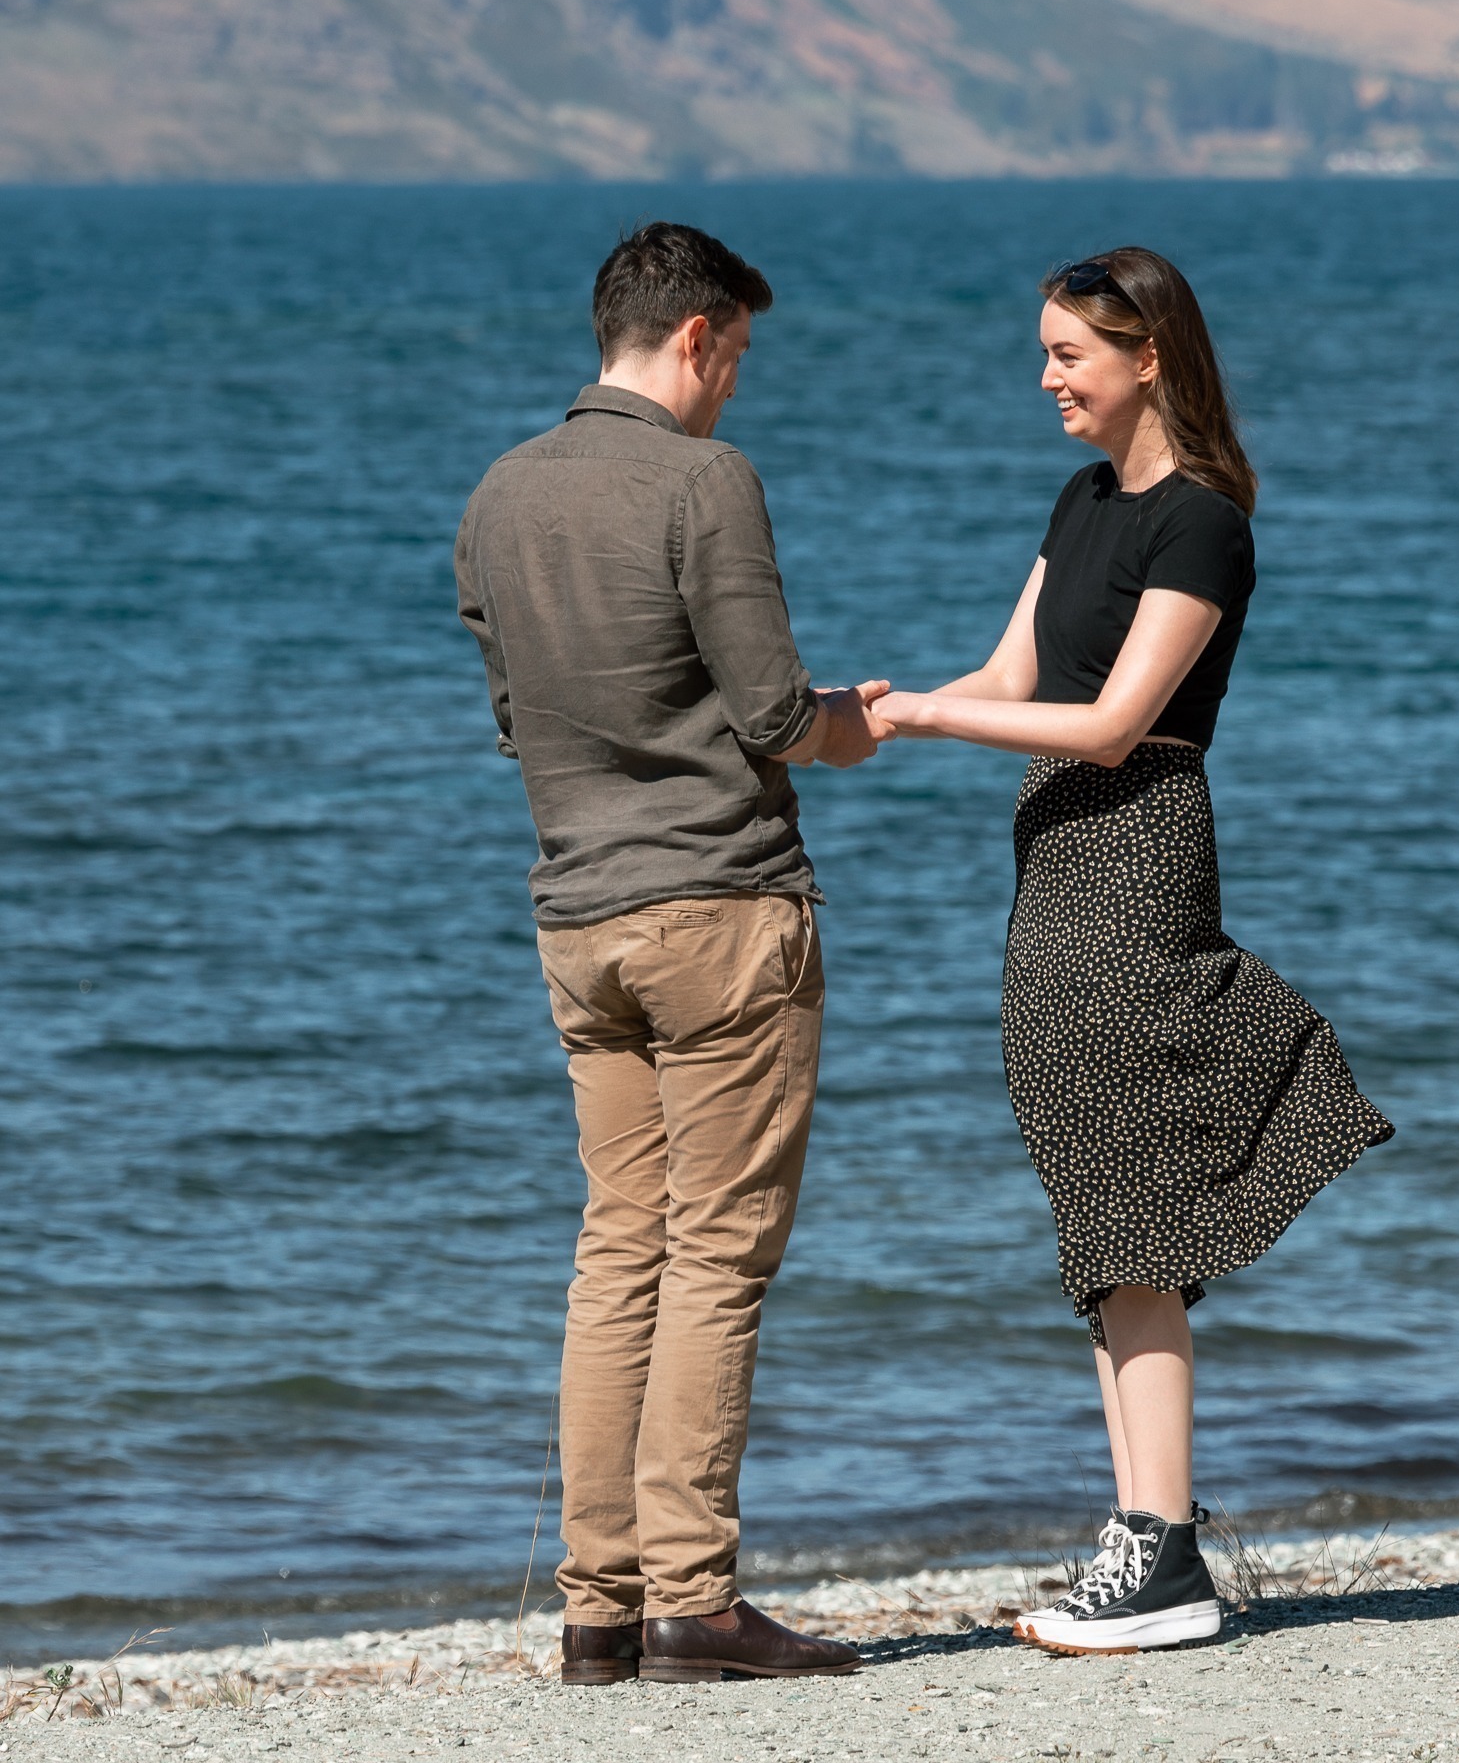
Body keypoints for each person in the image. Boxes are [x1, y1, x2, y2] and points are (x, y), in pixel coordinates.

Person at [874, 247, 1393, 1656]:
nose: (1046, 378)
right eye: (1045, 353)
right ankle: (1140, 1533)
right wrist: (854, 719)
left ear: (1146, 355)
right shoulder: (1082, 501)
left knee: (1132, 1206)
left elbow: (1113, 725)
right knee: (1093, 1196)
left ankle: (1163, 1551)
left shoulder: (1202, 522)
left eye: (1068, 354)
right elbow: (1008, 681)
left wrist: (924, 718)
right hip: (1052, 861)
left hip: (1137, 845)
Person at [454, 222, 892, 1686]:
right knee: (715, 1254)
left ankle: (600, 1608)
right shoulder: (707, 481)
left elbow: (516, 721)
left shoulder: (498, 494)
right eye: (739, 355)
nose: (737, 386)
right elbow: (773, 715)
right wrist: (860, 725)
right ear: (694, 335)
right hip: (721, 911)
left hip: (578, 920)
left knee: (616, 1251)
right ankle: (695, 1599)